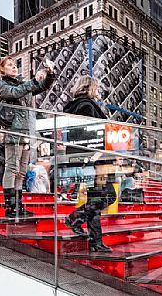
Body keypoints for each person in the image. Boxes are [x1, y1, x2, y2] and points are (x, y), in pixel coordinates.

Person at [0, 55, 55, 218]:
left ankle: (18, 206)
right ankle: (10, 208)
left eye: (15, 65)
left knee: (21, 171)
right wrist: (34, 80)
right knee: (12, 168)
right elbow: (15, 93)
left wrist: (49, 74)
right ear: (2, 69)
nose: (14, 67)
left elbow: (41, 87)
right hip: (13, 131)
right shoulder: (1, 84)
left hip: (26, 132)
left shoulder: (23, 83)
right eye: (10, 65)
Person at [63, 76, 115, 251]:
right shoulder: (85, 106)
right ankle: (74, 219)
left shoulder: (79, 105)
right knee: (107, 195)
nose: (99, 91)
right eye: (97, 88)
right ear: (89, 88)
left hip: (90, 159)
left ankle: (96, 241)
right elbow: (88, 136)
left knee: (97, 197)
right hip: (93, 159)